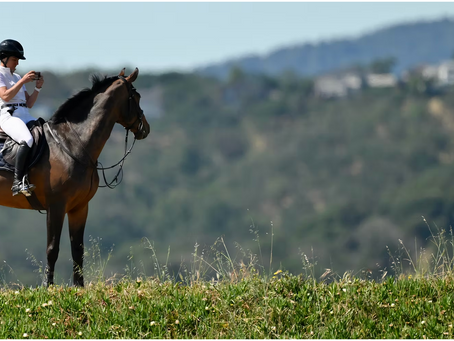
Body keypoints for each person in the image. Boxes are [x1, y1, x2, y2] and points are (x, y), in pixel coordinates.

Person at [0, 39, 44, 196]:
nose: (17, 63)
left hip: (24, 114)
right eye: (14, 59)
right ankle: (17, 182)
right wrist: (24, 81)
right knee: (28, 140)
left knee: (45, 134)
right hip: (8, 116)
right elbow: (5, 96)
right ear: (3, 58)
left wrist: (37, 88)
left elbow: (29, 103)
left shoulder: (17, 76)